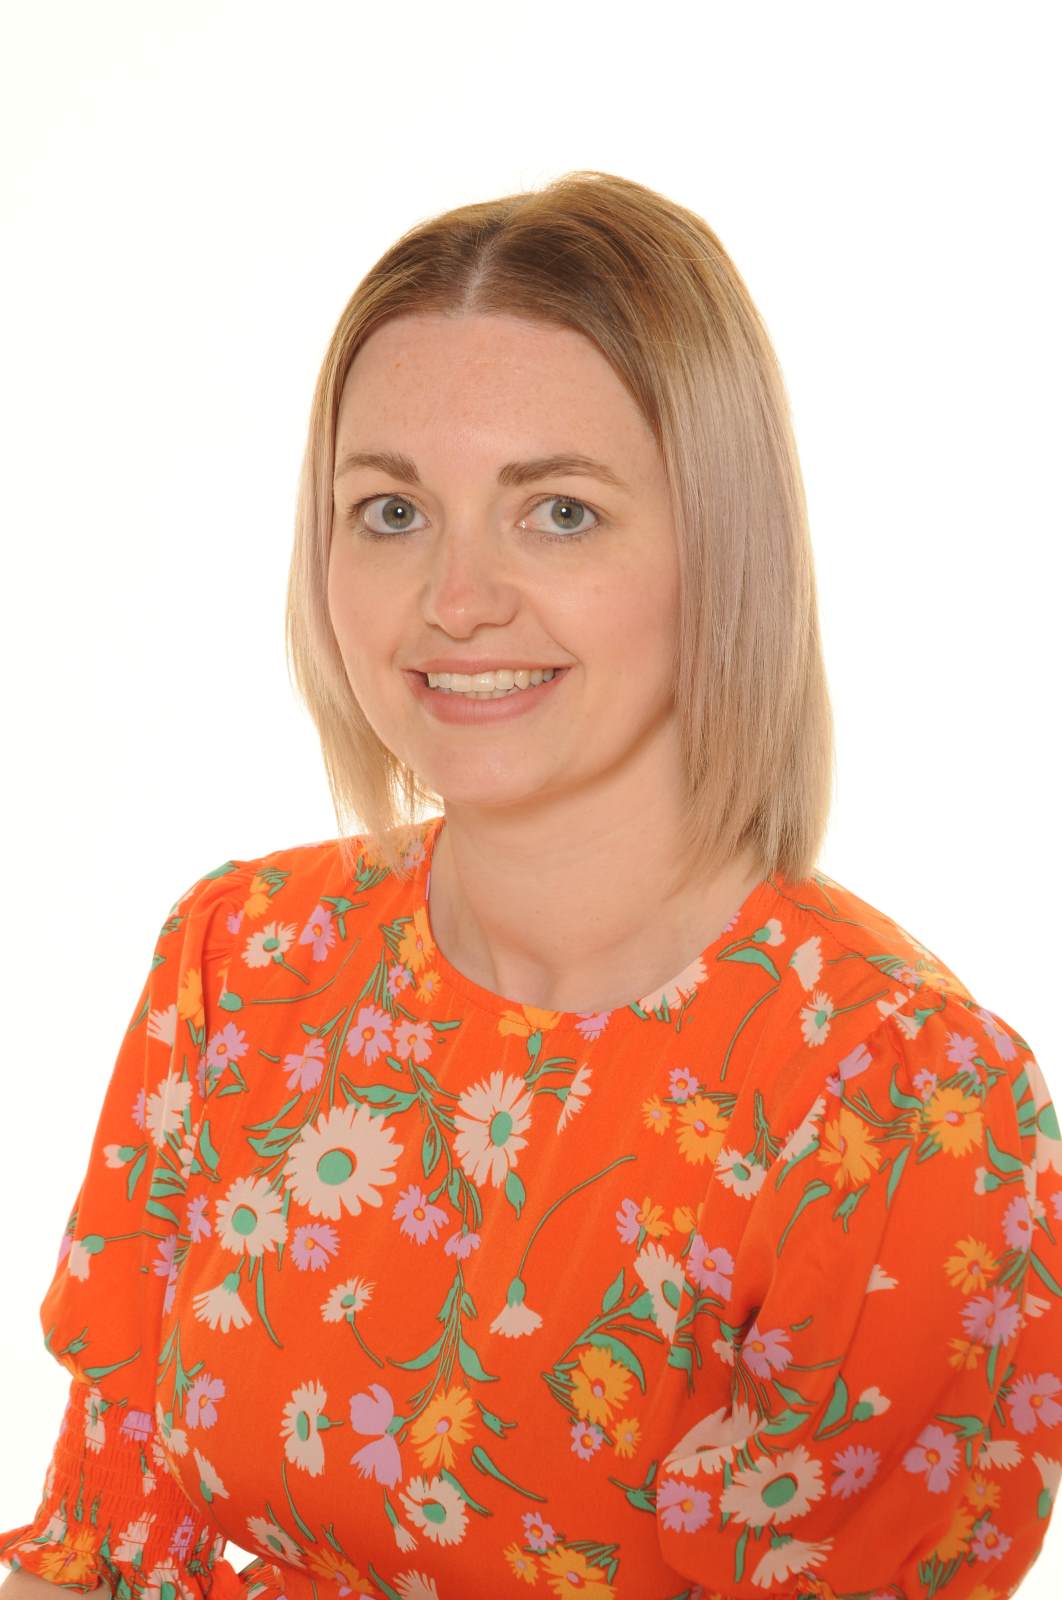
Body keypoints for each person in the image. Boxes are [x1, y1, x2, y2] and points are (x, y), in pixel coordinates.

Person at [1, 170, 1058, 1600]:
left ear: (720, 547)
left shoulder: (902, 1102)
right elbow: (103, 1539)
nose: (455, 600)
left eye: (558, 511)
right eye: (390, 511)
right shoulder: (242, 963)